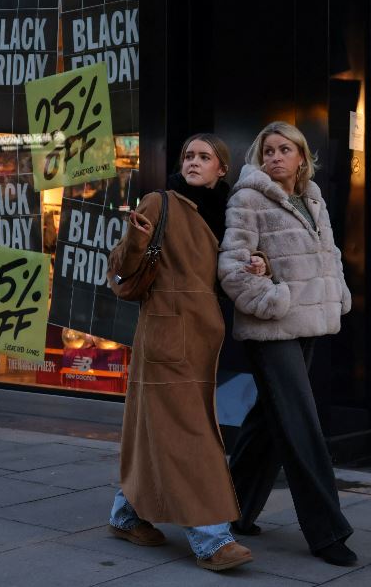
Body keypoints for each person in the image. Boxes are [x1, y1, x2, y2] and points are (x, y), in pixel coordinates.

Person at [107, 133, 261, 572]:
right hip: (166, 338)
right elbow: (120, 271)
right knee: (190, 436)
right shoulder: (161, 202)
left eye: (204, 157)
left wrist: (258, 262)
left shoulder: (232, 211)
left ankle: (125, 513)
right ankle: (211, 538)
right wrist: (135, 242)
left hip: (205, 339)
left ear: (222, 168)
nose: (193, 162)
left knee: (161, 431)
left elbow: (234, 264)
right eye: (188, 156)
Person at [218, 121, 357, 566]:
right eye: (268, 150)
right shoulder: (248, 198)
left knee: (268, 422)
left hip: (309, 322)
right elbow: (233, 269)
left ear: (301, 157)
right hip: (270, 328)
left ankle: (231, 511)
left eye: (284, 149)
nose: (275, 156)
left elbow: (329, 255)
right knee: (301, 423)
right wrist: (272, 299)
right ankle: (327, 531)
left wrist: (336, 294)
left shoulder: (312, 198)